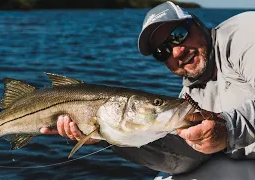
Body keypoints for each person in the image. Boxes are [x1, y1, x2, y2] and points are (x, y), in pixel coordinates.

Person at [41, 1, 255, 178]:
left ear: (197, 24)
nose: (177, 52)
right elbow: (184, 160)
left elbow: (227, 130)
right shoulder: (188, 98)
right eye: (163, 51)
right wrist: (107, 133)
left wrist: (228, 129)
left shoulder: (245, 33)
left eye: (179, 34)